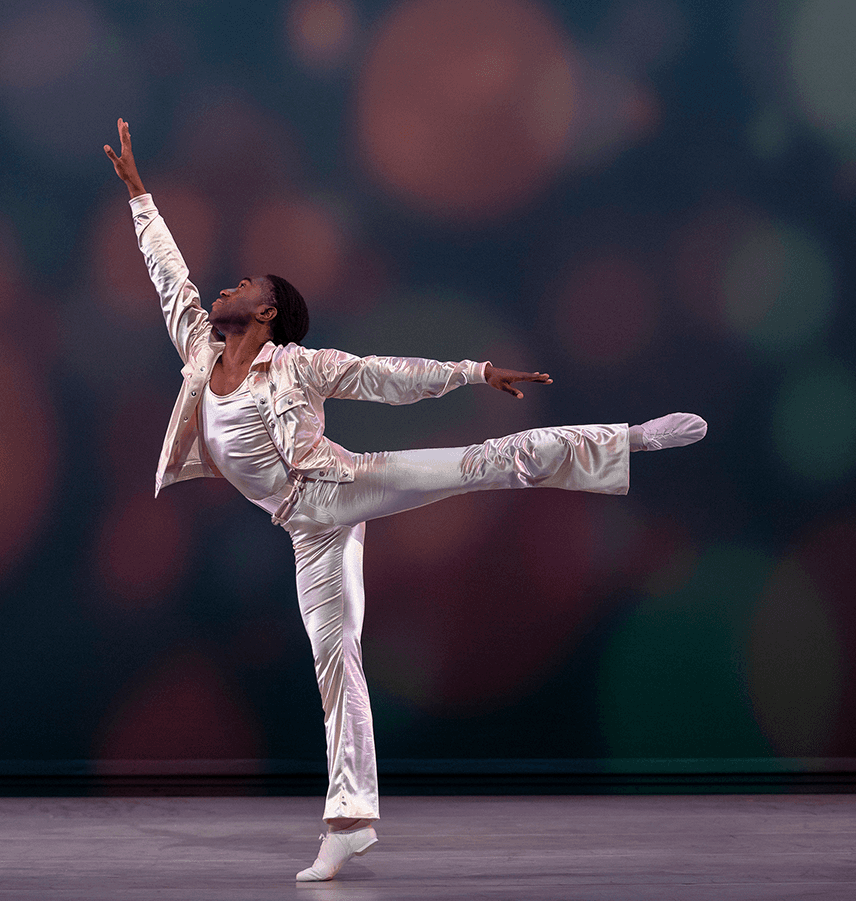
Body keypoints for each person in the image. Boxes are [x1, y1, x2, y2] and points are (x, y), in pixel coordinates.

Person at [105, 119, 706, 882]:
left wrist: (474, 370)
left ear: (267, 314)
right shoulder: (200, 352)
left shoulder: (301, 364)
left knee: (478, 462)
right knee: (337, 659)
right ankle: (350, 820)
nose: (227, 285)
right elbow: (170, 278)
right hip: (305, 528)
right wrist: (139, 195)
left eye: (246, 285)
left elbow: (385, 374)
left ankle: (631, 439)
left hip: (341, 483)